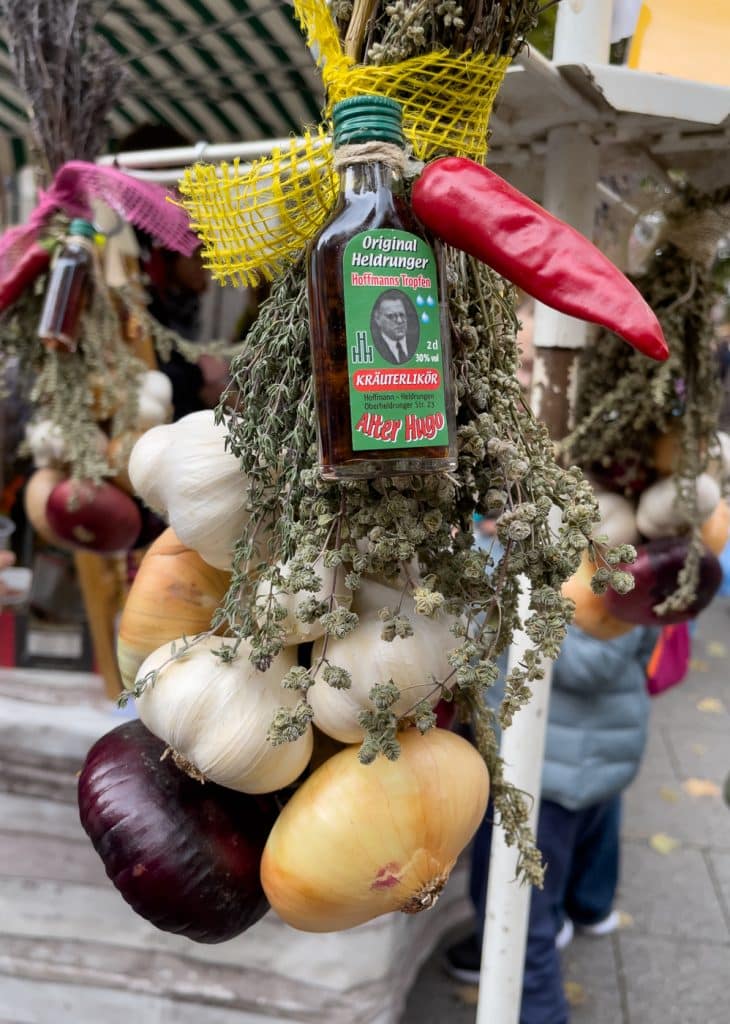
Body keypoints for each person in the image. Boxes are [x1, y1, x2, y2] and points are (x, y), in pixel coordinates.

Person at [445, 620, 658, 1024]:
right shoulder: (637, 570)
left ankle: (539, 1007)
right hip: (596, 751)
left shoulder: (597, 586)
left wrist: (508, 609)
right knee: (588, 839)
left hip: (544, 771)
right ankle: (587, 909)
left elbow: (590, 661)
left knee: (517, 901)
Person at [370, 290, 418, 364]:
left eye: (402, 315)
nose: (399, 321)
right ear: (377, 318)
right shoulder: (374, 347)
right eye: (391, 316)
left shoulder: (415, 341)